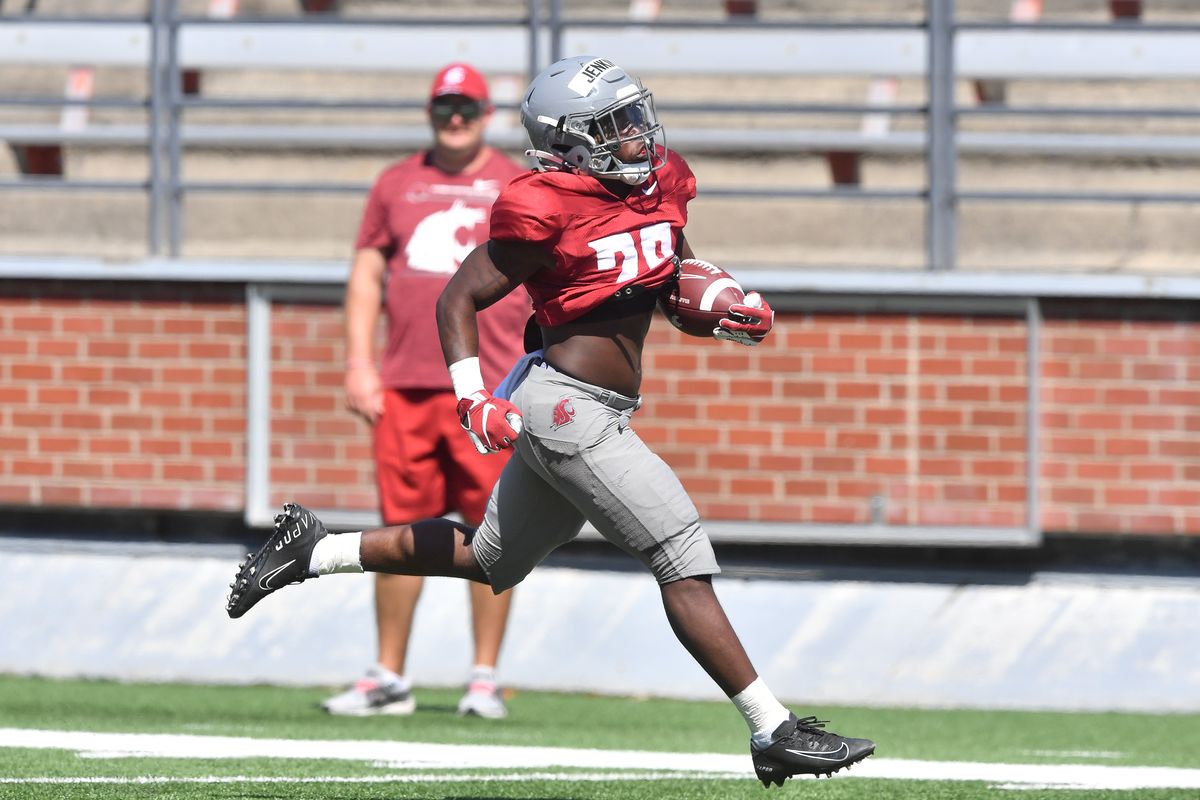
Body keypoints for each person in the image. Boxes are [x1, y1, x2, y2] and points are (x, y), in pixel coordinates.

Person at [227, 55, 875, 786]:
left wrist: (724, 305)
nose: (638, 134)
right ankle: (772, 730)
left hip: (587, 407)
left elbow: (672, 281)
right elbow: (456, 299)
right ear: (572, 141)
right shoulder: (548, 207)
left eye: (636, 116)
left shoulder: (659, 187)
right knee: (679, 554)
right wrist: (472, 396)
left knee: (488, 559)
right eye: (616, 125)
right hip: (567, 408)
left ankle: (313, 550)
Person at [323, 62, 529, 719]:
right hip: (409, 384)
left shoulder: (515, 184)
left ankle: (483, 677)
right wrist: (360, 363)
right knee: (396, 533)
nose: (456, 118)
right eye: (445, 107)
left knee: (495, 535)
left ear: (486, 111)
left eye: (466, 106)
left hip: (488, 387)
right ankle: (387, 676)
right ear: (430, 112)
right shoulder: (396, 183)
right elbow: (365, 278)